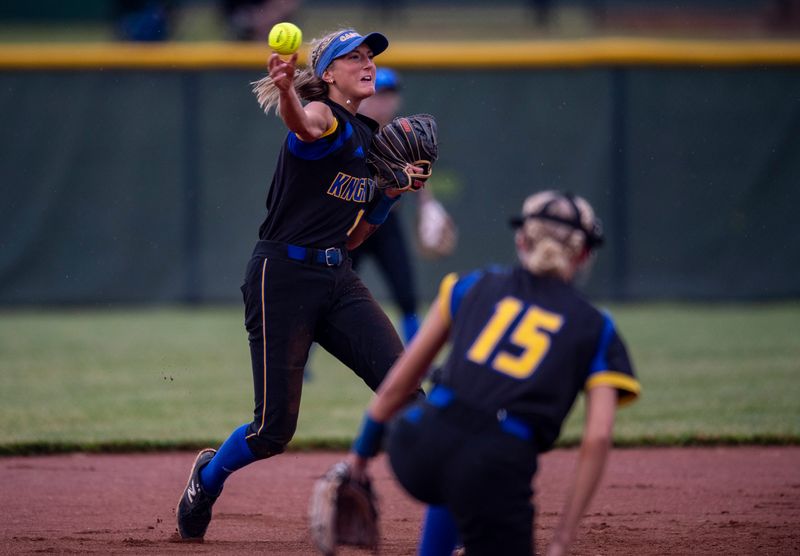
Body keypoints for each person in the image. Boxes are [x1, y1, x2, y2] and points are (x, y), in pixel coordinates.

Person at [175, 27, 422, 541]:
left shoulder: (369, 141)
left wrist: (392, 191)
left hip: (337, 276)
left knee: (405, 393)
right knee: (272, 431)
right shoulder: (325, 118)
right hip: (281, 277)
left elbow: (356, 240)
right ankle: (206, 479)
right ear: (328, 73)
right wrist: (287, 89)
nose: (367, 63)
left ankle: (458, 516)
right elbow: (305, 126)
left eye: (370, 56)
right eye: (353, 57)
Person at [348, 190, 641, 555]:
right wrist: (562, 540)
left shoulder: (469, 285)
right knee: (472, 472)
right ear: (583, 255)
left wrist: (357, 458)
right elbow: (597, 439)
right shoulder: (597, 327)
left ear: (521, 240)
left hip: (416, 447)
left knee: (453, 465)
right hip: (494, 463)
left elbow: (400, 381)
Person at [354, 67, 453, 343]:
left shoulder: (402, 134)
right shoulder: (353, 129)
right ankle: (304, 356)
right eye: (378, 94)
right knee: (329, 291)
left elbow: (418, 173)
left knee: (406, 294)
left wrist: (428, 205)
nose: (383, 101)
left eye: (390, 94)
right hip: (352, 223)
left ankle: (416, 357)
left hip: (386, 224)